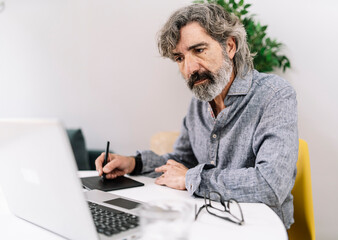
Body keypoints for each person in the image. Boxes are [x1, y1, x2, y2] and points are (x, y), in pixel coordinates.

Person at [95, 3, 298, 229]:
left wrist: (192, 179)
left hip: (256, 227)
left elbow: (271, 185)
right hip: (207, 220)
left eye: (199, 50)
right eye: (180, 58)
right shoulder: (200, 101)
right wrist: (134, 163)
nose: (189, 68)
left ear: (229, 46)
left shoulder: (275, 95)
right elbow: (183, 162)